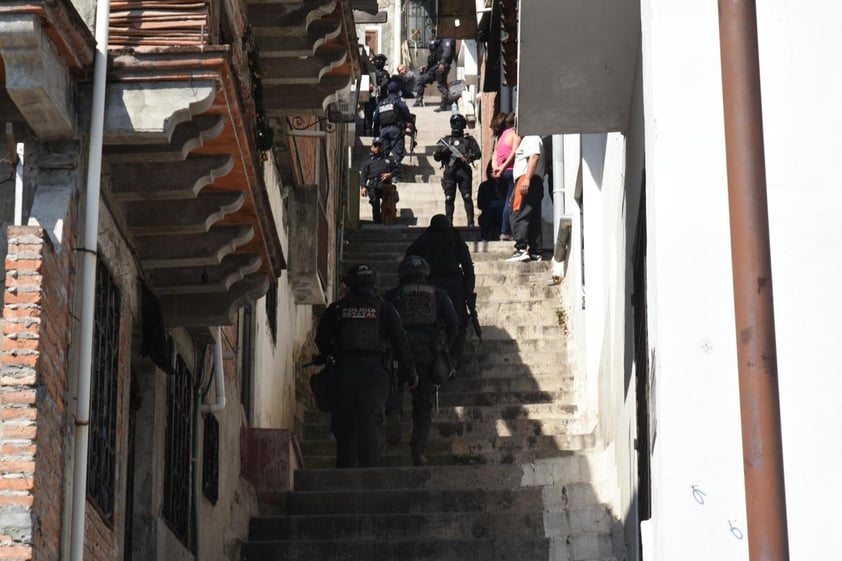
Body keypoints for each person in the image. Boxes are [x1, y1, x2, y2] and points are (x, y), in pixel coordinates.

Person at [314, 264, 417, 468]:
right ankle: (369, 473)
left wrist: (329, 354)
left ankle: (346, 475)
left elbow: (321, 340)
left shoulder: (337, 309)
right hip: (375, 374)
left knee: (344, 426)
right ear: (374, 284)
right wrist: (410, 371)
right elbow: (401, 342)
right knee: (369, 420)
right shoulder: (385, 309)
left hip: (343, 373)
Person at [384, 255, 459, 466]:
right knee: (423, 405)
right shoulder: (438, 294)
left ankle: (394, 411)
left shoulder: (392, 296)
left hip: (398, 351)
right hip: (428, 353)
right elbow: (454, 324)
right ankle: (418, 450)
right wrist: (446, 348)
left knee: (395, 387)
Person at [405, 214, 476, 374]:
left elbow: (408, 259)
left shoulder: (423, 239)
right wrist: (469, 288)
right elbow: (467, 265)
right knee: (458, 323)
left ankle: (435, 359)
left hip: (429, 287)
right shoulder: (454, 238)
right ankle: (453, 362)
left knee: (432, 323)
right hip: (454, 287)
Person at [432, 113, 481, 227]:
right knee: (449, 199)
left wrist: (469, 157)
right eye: (455, 123)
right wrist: (444, 152)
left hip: (464, 171)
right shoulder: (446, 140)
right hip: (450, 171)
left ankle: (470, 223)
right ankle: (448, 224)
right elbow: (436, 157)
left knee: (467, 197)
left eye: (458, 123)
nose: (457, 125)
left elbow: (478, 153)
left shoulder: (468, 139)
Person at [506, 134, 546, 261]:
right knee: (533, 216)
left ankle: (521, 248)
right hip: (534, 180)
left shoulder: (531, 138)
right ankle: (535, 251)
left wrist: (527, 179)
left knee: (518, 213)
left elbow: (534, 157)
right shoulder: (534, 138)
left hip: (526, 178)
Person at [490, 112, 520, 241]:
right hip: (511, 171)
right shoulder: (514, 134)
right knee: (510, 202)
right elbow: (514, 152)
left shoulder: (502, 136)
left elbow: (495, 153)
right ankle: (506, 231)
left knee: (507, 201)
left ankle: (506, 231)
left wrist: (495, 167)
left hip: (501, 173)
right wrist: (502, 168)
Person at [373, 81, 412, 178]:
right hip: (396, 131)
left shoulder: (381, 103)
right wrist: (408, 121)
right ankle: (394, 176)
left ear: (387, 91)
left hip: (383, 131)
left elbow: (375, 118)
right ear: (398, 91)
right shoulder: (398, 101)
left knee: (383, 154)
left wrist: (376, 134)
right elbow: (406, 113)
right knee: (397, 154)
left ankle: (382, 175)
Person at [359, 137, 398, 224]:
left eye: (379, 146)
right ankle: (377, 222)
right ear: (372, 147)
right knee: (375, 203)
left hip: (385, 185)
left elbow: (397, 170)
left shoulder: (388, 159)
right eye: (375, 146)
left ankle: (388, 219)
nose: (377, 148)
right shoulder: (368, 162)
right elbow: (363, 175)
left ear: (383, 147)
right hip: (373, 185)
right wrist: (363, 187)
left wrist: (390, 175)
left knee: (388, 204)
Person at [414, 38, 456, 110]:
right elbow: (435, 57)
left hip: (440, 67)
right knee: (420, 81)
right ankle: (419, 101)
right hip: (434, 68)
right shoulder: (440, 41)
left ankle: (443, 106)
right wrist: (427, 67)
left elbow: (447, 52)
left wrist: (442, 63)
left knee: (441, 85)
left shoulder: (447, 40)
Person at [477, 163, 504, 241]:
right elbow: (480, 204)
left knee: (501, 209)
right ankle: (484, 238)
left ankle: (503, 234)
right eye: (492, 171)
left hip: (502, 214)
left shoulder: (505, 184)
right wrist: (491, 205)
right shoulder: (484, 186)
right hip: (488, 213)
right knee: (489, 212)